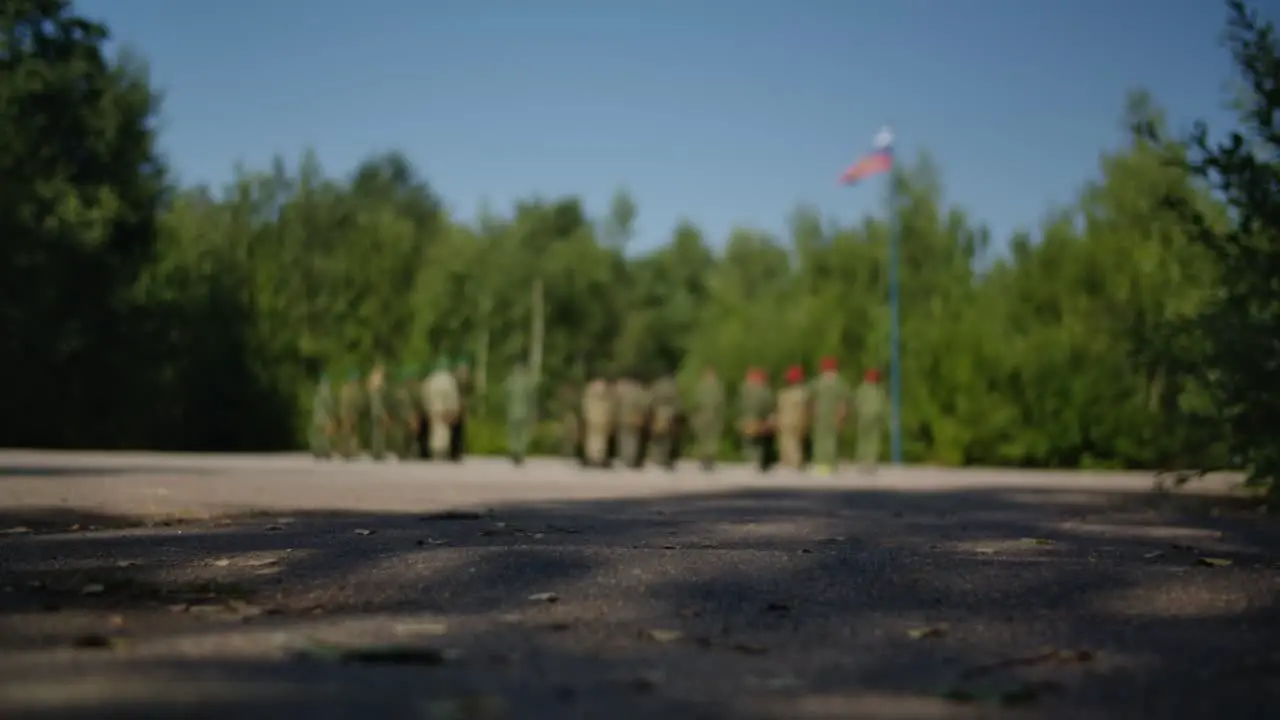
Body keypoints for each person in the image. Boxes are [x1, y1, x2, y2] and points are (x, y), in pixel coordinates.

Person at [809, 356, 853, 476]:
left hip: (821, 415)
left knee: (820, 439)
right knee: (831, 439)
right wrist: (842, 416)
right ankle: (829, 464)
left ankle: (821, 464)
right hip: (833, 415)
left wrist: (812, 413)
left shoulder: (817, 382)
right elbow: (844, 401)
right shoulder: (840, 383)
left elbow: (811, 399)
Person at [423, 358, 461, 461]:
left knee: (435, 431)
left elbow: (426, 395)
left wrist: (427, 408)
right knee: (444, 432)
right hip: (445, 410)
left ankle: (435, 451)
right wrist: (454, 410)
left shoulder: (431, 379)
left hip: (434, 410)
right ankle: (442, 451)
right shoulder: (449, 380)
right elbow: (453, 396)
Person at [737, 368, 774, 470]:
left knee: (748, 441)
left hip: (747, 418)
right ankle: (756, 460)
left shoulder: (744, 389)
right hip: (758, 419)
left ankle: (750, 459)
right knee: (757, 441)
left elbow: (740, 404)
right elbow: (767, 405)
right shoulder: (764, 390)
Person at [775, 365, 810, 470]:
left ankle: (792, 463)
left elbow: (780, 408)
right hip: (797, 420)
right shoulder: (803, 392)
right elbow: (805, 409)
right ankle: (794, 463)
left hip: (786, 421)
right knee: (795, 443)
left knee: (788, 443)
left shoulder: (784, 393)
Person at [854, 368, 889, 473]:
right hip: (875, 418)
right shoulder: (879, 391)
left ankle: (862, 461)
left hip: (863, 418)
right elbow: (884, 407)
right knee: (873, 441)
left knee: (862, 439)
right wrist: (886, 421)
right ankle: (871, 462)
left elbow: (856, 403)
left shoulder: (861, 389)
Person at [613, 370, 650, 468]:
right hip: (636, 417)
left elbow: (615, 403)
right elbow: (645, 403)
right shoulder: (640, 389)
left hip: (623, 417)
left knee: (624, 439)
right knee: (634, 440)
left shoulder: (620, 388)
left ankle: (625, 459)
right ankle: (631, 460)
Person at [691, 367, 725, 470]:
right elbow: (721, 403)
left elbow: (696, 402)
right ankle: (710, 460)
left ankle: (703, 460)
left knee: (702, 439)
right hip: (714, 417)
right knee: (712, 439)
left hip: (701, 416)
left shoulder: (700, 386)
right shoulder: (718, 387)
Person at [647, 371, 681, 469]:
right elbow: (678, 403)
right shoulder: (674, 387)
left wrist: (650, 412)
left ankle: (657, 458)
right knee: (668, 438)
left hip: (658, 414)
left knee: (657, 437)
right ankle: (666, 459)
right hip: (670, 414)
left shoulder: (656, 386)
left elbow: (651, 400)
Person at [504, 362, 536, 465]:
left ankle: (514, 451)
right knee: (522, 433)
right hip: (524, 412)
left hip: (512, 412)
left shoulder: (510, 381)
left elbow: (506, 397)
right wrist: (532, 412)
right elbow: (531, 399)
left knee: (513, 433)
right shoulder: (527, 383)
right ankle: (520, 452)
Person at [581, 374, 614, 467]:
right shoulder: (605, 394)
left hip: (592, 418)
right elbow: (608, 407)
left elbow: (585, 406)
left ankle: (591, 457)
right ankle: (599, 458)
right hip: (602, 419)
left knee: (592, 439)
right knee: (601, 440)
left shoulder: (589, 392)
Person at [393, 364, 421, 459]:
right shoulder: (404, 392)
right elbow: (407, 406)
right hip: (405, 417)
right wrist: (411, 417)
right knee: (403, 435)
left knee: (406, 436)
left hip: (403, 417)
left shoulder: (402, 391)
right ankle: (402, 452)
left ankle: (404, 452)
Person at [337, 370, 364, 460]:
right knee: (348, 434)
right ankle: (346, 453)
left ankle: (349, 452)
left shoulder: (348, 389)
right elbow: (348, 404)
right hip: (348, 415)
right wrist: (350, 415)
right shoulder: (350, 390)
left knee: (350, 434)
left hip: (348, 414)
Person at [366, 363, 390, 460]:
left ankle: (378, 452)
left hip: (375, 412)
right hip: (377, 412)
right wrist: (383, 415)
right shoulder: (376, 390)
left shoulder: (373, 388)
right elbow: (378, 405)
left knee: (378, 432)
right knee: (378, 433)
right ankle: (378, 453)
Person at [309, 373, 335, 459]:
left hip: (316, 418)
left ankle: (317, 452)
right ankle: (326, 452)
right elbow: (329, 406)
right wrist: (330, 418)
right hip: (324, 417)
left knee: (318, 436)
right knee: (325, 436)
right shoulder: (326, 392)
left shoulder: (317, 392)